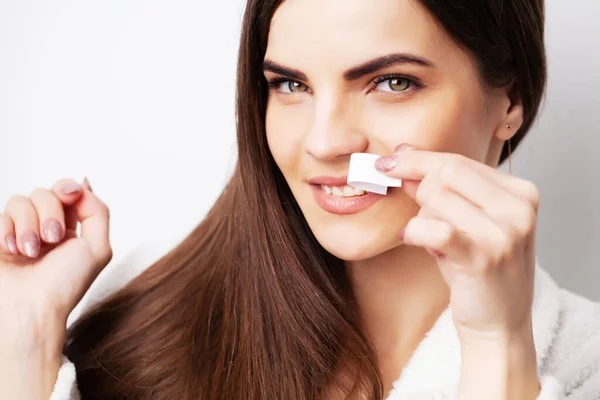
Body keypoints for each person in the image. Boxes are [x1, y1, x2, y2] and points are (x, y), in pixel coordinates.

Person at [1, 0, 599, 399]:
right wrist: (24, 342)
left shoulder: (585, 360)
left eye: (392, 83)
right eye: (291, 85)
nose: (324, 142)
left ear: (511, 102)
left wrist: (498, 347)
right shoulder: (147, 307)